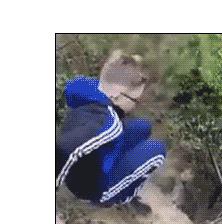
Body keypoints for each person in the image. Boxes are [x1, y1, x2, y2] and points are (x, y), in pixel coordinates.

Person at [56, 50, 166, 214]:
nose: (135, 105)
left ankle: (117, 167)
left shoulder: (88, 88)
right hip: (92, 187)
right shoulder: (107, 123)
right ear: (116, 94)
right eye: (134, 100)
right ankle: (126, 195)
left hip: (90, 163)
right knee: (158, 150)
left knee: (143, 127)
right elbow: (64, 150)